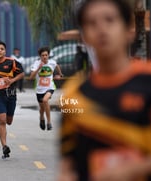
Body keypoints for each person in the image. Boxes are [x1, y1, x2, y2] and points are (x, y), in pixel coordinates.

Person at [58, 0, 151, 181]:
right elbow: (68, 162)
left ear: (129, 29)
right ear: (84, 36)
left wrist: (129, 171)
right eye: (91, 23)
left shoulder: (147, 81)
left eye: (110, 20)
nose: (101, 29)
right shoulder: (73, 94)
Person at [30, 46, 63, 131]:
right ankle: (41, 118)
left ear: (48, 55)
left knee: (45, 100)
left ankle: (49, 122)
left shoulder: (52, 62)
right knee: (42, 109)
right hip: (39, 89)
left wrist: (60, 74)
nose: (44, 57)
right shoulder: (36, 63)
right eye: (42, 55)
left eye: (46, 55)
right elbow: (31, 77)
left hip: (50, 87)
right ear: (40, 56)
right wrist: (39, 68)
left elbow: (57, 66)